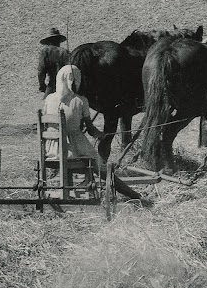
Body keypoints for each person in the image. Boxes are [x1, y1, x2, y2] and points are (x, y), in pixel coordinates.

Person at [43, 65, 142, 200]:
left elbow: (45, 124)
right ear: (74, 80)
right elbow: (90, 130)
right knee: (99, 165)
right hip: (71, 150)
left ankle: (73, 191)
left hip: (52, 150)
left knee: (87, 157)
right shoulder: (80, 101)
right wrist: (101, 135)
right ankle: (132, 194)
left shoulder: (49, 99)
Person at [38, 28, 70, 99]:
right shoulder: (65, 52)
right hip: (66, 86)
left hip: (52, 85)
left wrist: (42, 85)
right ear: (58, 40)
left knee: (46, 105)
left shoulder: (45, 51)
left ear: (48, 41)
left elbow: (41, 71)